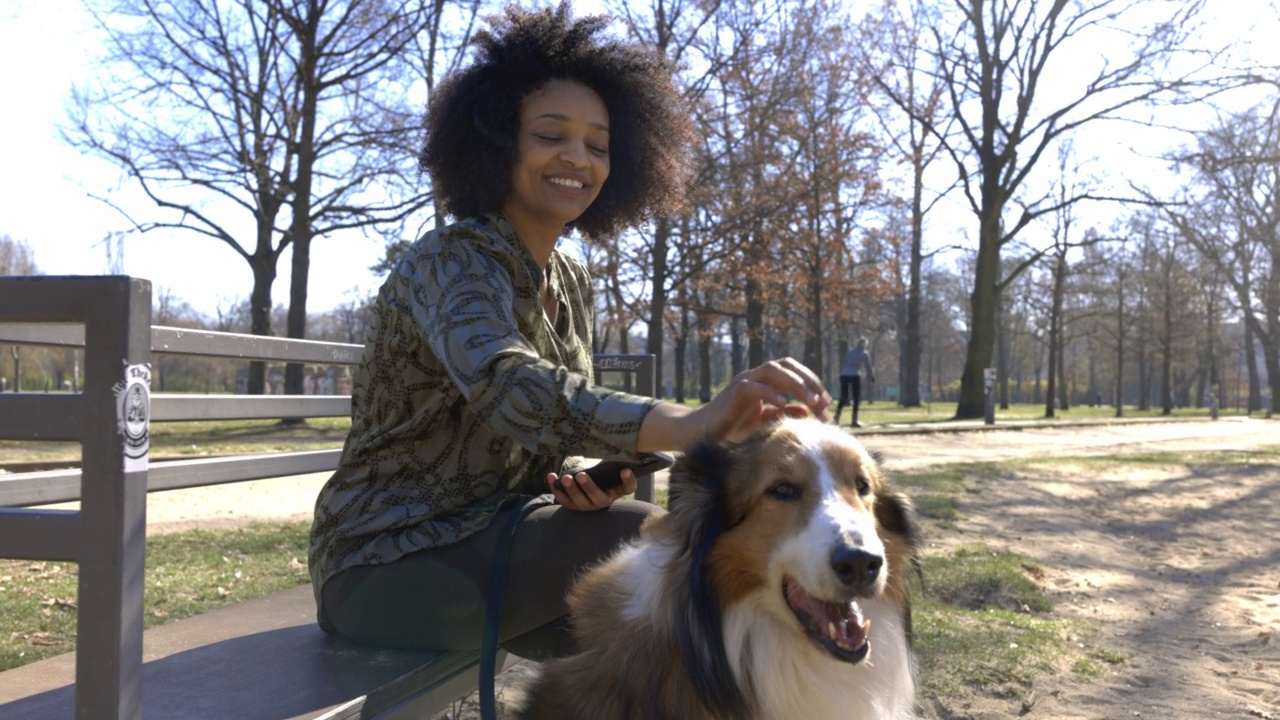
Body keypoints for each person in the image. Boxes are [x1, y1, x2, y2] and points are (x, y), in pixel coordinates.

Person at [308, 2, 832, 662]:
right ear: (497, 142)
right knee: (648, 554)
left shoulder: (569, 277)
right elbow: (512, 387)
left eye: (599, 145)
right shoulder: (449, 261)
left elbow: (553, 432)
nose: (577, 158)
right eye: (550, 134)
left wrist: (607, 473)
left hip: (495, 545)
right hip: (379, 568)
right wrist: (689, 421)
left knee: (669, 603)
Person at [835, 336, 875, 428]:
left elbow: (844, 363)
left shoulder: (849, 352)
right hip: (855, 375)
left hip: (845, 375)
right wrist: (871, 377)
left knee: (843, 397)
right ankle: (854, 421)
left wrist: (841, 374)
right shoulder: (864, 353)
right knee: (856, 398)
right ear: (865, 344)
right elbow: (868, 366)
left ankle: (836, 419)